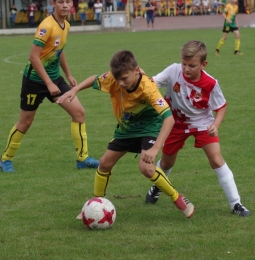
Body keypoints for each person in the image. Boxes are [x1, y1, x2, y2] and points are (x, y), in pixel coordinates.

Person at [57, 50, 195, 219]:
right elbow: (95, 79)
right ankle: (96, 206)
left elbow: (169, 118)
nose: (120, 83)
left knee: (147, 168)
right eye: (117, 79)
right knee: (105, 163)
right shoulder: (113, 79)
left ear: (136, 70)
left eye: (124, 79)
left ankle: (178, 199)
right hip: (126, 128)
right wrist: (75, 89)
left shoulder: (148, 88)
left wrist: (155, 148)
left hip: (149, 128)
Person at [145, 40, 251, 217]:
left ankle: (236, 204)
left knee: (216, 159)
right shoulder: (173, 70)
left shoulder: (210, 83)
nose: (186, 69)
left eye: (192, 66)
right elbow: (152, 83)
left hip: (202, 123)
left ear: (204, 64)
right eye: (184, 64)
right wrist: (142, 79)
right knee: (167, 162)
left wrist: (215, 125)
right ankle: (157, 187)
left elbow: (221, 106)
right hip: (174, 123)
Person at [0, 0, 99, 173]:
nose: (65, 5)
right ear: (53, 4)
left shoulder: (66, 24)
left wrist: (67, 74)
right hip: (35, 82)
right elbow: (33, 57)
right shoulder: (46, 26)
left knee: (79, 112)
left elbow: (59, 50)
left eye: (68, 2)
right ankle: (5, 159)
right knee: (25, 123)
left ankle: (82, 158)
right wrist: (49, 83)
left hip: (55, 79)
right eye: (61, 2)